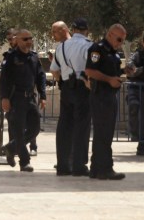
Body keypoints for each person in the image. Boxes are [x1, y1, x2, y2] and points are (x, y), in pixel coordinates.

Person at [0, 29, 46, 172]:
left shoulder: (33, 57)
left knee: (35, 128)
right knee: (18, 131)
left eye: (30, 38)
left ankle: (11, 147)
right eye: (25, 39)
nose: (29, 42)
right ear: (18, 40)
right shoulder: (11, 57)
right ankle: (24, 162)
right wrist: (5, 98)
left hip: (30, 98)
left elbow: (41, 76)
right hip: (16, 98)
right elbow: (4, 79)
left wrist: (43, 95)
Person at [51, 19, 92, 177]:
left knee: (64, 126)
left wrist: (62, 82)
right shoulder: (88, 45)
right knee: (82, 126)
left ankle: (62, 164)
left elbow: (54, 70)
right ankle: (78, 165)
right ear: (86, 31)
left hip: (67, 87)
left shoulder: (61, 47)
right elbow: (90, 68)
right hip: (83, 87)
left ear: (73, 29)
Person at [85, 23, 127, 180]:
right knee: (103, 133)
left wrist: (123, 72)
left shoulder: (113, 53)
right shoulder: (98, 49)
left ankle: (96, 168)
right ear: (109, 34)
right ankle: (105, 168)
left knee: (105, 133)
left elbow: (111, 71)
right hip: (101, 96)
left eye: (122, 40)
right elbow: (89, 70)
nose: (120, 43)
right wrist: (109, 80)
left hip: (109, 96)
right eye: (119, 39)